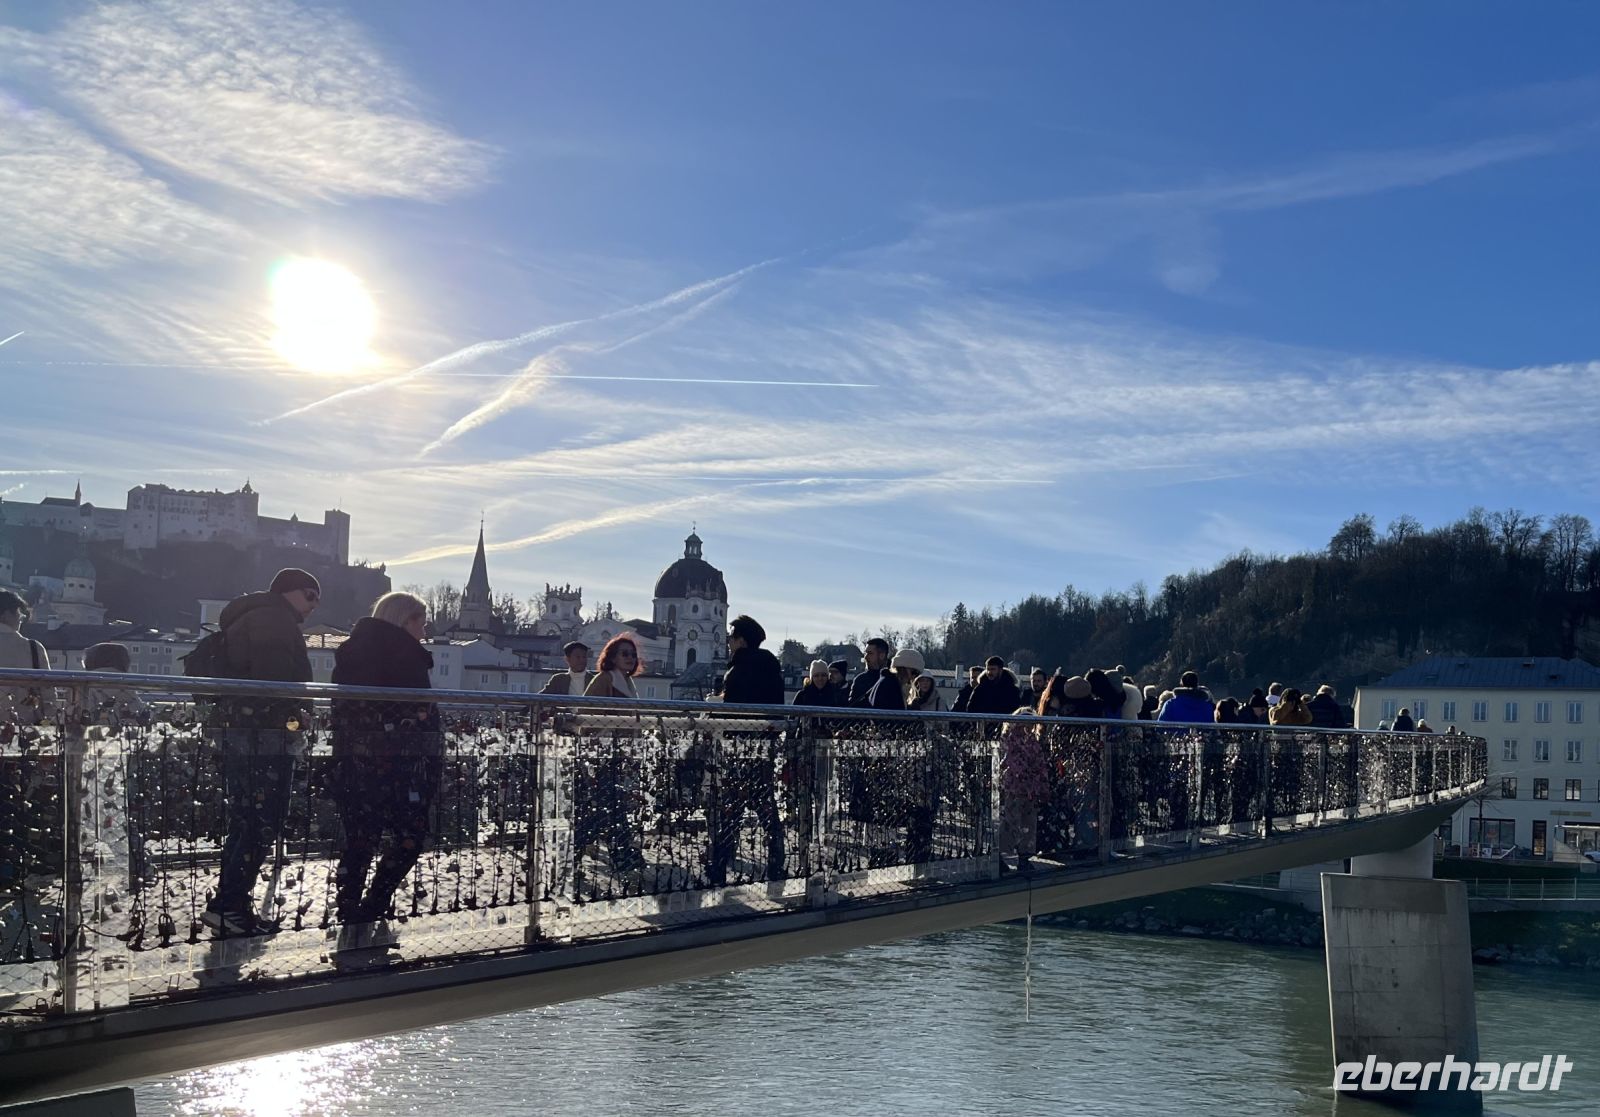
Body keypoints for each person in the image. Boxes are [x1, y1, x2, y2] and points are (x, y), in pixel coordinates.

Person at [204, 568, 319, 937]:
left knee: (245, 819)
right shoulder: (274, 619)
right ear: (288, 592)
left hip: (242, 730)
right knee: (263, 819)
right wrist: (296, 712)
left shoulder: (253, 616)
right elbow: (276, 681)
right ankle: (230, 906)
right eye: (310, 595)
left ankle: (228, 904)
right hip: (264, 735)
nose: (314, 605)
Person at [329, 592, 441, 924]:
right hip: (400, 760)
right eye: (420, 623)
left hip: (355, 757)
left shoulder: (352, 651)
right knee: (410, 833)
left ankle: (349, 905)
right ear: (404, 620)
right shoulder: (406, 655)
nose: (424, 632)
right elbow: (419, 710)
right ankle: (375, 902)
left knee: (361, 835)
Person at [708, 615, 785, 883]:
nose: (729, 643)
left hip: (739, 744)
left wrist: (714, 706)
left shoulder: (739, 668)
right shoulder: (770, 666)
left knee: (731, 806)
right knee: (765, 805)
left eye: (731, 638)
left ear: (741, 640)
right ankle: (777, 861)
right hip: (763, 744)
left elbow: (733, 705)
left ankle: (718, 864)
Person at [0, 589, 50, 717]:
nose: (20, 619)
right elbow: (47, 691)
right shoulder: (33, 648)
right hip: (24, 725)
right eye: (18, 614)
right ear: (5, 615)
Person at [720, 615, 785, 705]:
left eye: (730, 636)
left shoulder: (736, 671)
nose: (728, 641)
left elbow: (730, 705)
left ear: (741, 641)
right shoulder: (772, 666)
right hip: (772, 717)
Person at [849, 638, 893, 706]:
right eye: (865, 653)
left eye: (870, 653)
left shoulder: (894, 679)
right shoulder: (860, 680)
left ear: (882, 655)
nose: (866, 657)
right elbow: (852, 707)